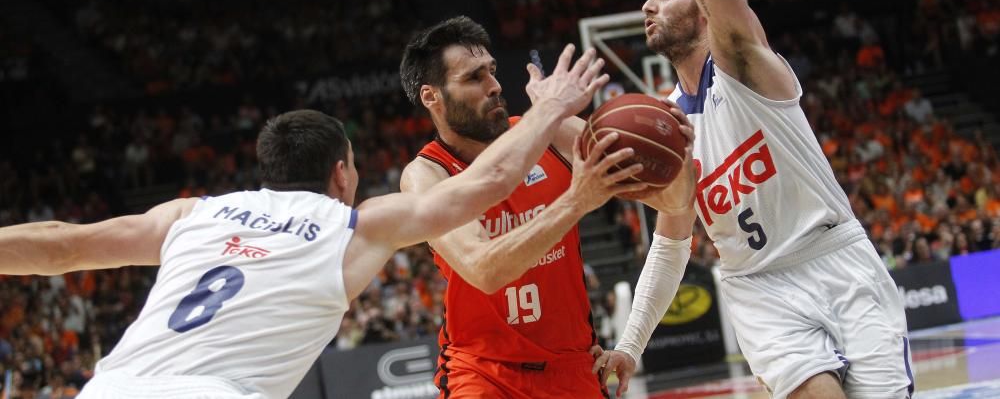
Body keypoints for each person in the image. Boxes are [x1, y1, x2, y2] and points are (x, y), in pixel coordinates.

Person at [0, 45, 637, 399]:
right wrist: (551, 107)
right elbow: (492, 182)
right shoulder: (356, 227)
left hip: (111, 387)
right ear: (341, 173)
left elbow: (59, 247)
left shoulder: (190, 215)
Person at [555, 0, 912, 399]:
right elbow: (670, 248)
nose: (649, 5)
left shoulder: (747, 65)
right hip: (758, 288)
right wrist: (631, 344)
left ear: (702, 6)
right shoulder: (666, 128)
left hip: (838, 260)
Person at [398, 17, 696, 399]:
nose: (494, 86)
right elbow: (485, 269)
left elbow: (673, 203)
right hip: (484, 372)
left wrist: (678, 159)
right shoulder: (426, 174)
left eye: (491, 71)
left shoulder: (551, 132)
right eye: (473, 78)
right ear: (431, 96)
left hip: (572, 365)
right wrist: (577, 201)